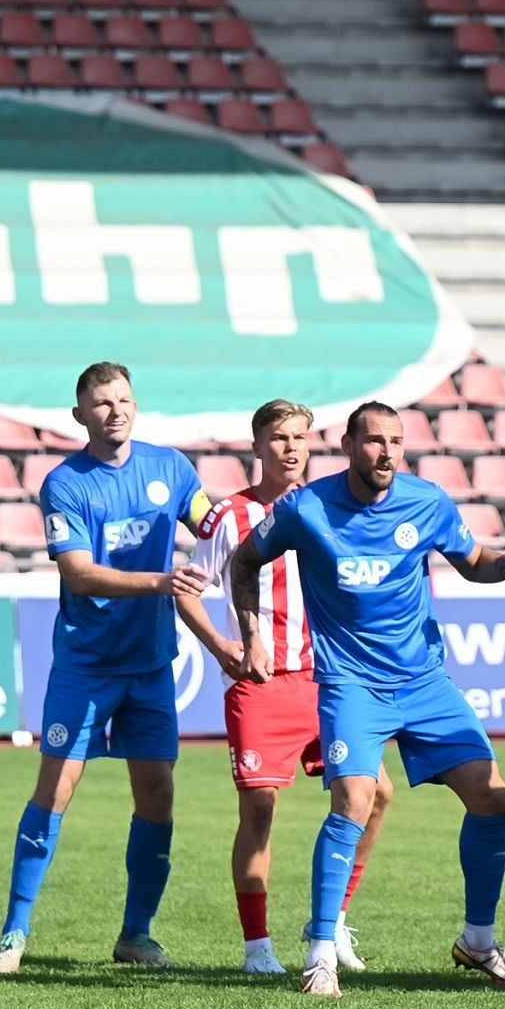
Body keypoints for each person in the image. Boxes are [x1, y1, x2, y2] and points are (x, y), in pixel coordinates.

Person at [228, 402, 505, 998]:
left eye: (396, 441)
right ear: (348, 445)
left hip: (424, 682)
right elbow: (243, 563)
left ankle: (478, 941)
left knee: (491, 795)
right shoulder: (305, 508)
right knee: (354, 799)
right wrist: (252, 635)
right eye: (375, 441)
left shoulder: (427, 502)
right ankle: (321, 952)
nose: (387, 453)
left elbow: (475, 564)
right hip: (352, 684)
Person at [0, 362, 212, 974]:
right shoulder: (66, 484)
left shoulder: (171, 468)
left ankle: (136, 935)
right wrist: (162, 580)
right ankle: (13, 932)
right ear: (80, 414)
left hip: (150, 665)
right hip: (86, 665)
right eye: (103, 403)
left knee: (158, 795)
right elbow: (79, 573)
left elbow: (211, 522)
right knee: (55, 791)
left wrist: (263, 516)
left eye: (124, 400)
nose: (116, 411)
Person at [179, 399, 394, 975]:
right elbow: (187, 591)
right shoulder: (230, 517)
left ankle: (333, 920)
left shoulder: (329, 506)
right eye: (278, 437)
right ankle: (257, 947)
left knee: (376, 794)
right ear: (257, 447)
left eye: (300, 437)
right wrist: (223, 647)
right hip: (263, 686)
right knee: (260, 809)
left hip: (330, 679)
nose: (291, 447)